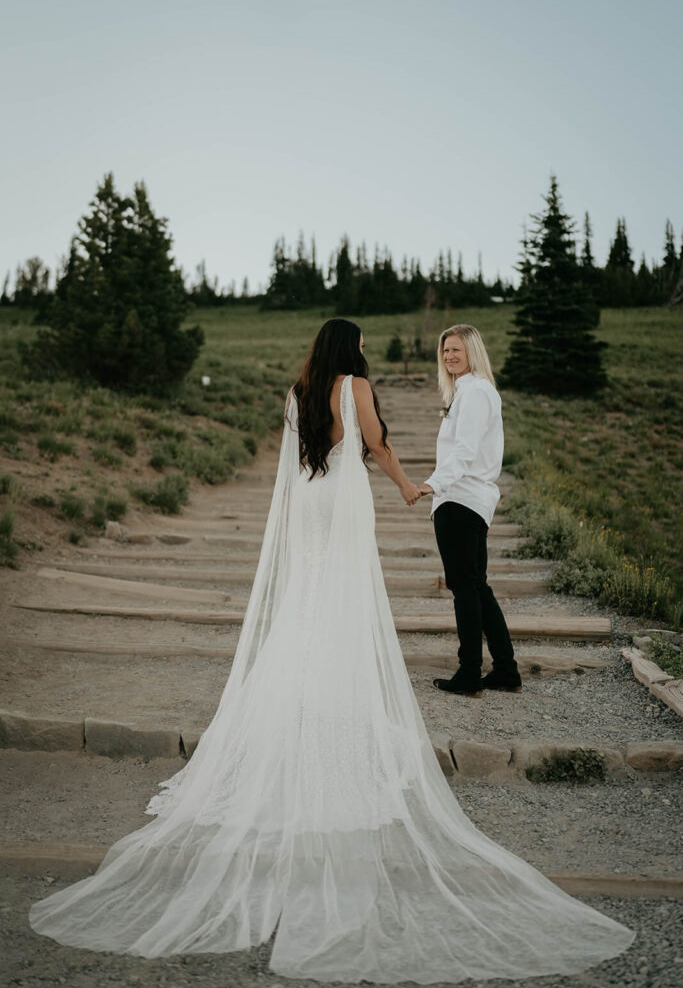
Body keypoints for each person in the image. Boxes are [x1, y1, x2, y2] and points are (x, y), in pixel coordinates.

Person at [29, 318, 635, 983]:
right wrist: (407, 486)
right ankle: (334, 708)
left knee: (306, 598)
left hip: (310, 501)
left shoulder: (298, 391)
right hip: (345, 502)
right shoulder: (355, 386)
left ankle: (295, 704)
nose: (369, 352)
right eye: (364, 345)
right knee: (342, 597)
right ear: (351, 349)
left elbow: (291, 466)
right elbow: (373, 444)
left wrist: (288, 521)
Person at [418, 324, 522, 697]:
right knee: (477, 586)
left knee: (464, 587)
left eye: (456, 350)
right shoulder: (469, 390)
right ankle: (506, 670)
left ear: (473, 351)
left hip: (460, 499)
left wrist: (433, 483)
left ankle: (469, 672)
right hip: (468, 500)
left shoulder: (476, 393)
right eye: (445, 351)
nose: (449, 357)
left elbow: (464, 450)